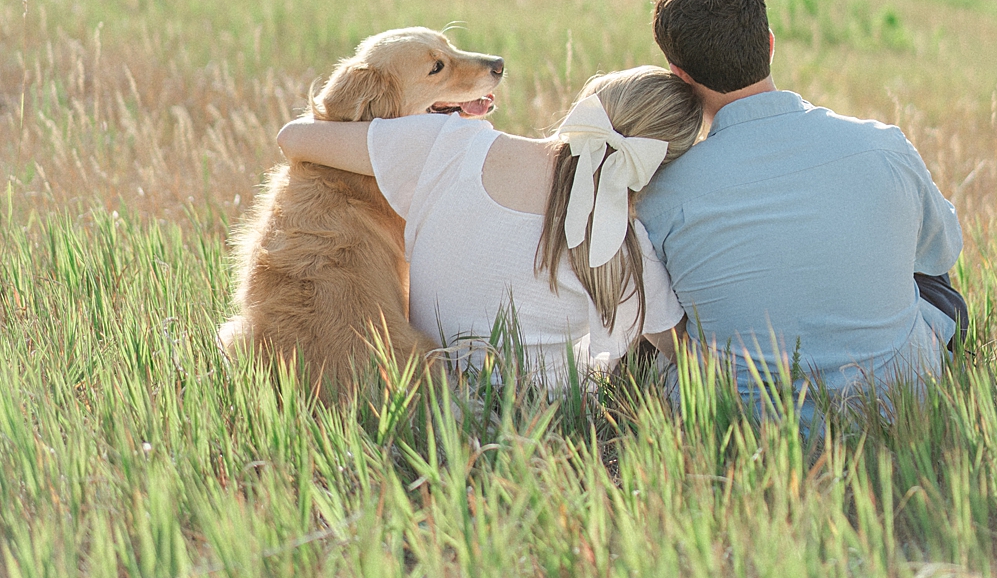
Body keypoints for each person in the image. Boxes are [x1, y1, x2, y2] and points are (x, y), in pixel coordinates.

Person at [637, 0, 966, 410]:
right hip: (894, 401)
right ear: (770, 46)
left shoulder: (661, 192)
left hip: (737, 415)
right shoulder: (883, 146)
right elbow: (941, 251)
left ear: (678, 75)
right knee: (933, 277)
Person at [277, 66, 701, 389]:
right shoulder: (625, 248)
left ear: (591, 101)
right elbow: (684, 357)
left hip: (430, 396)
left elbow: (293, 138)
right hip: (544, 426)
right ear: (654, 167)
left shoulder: (449, 144)